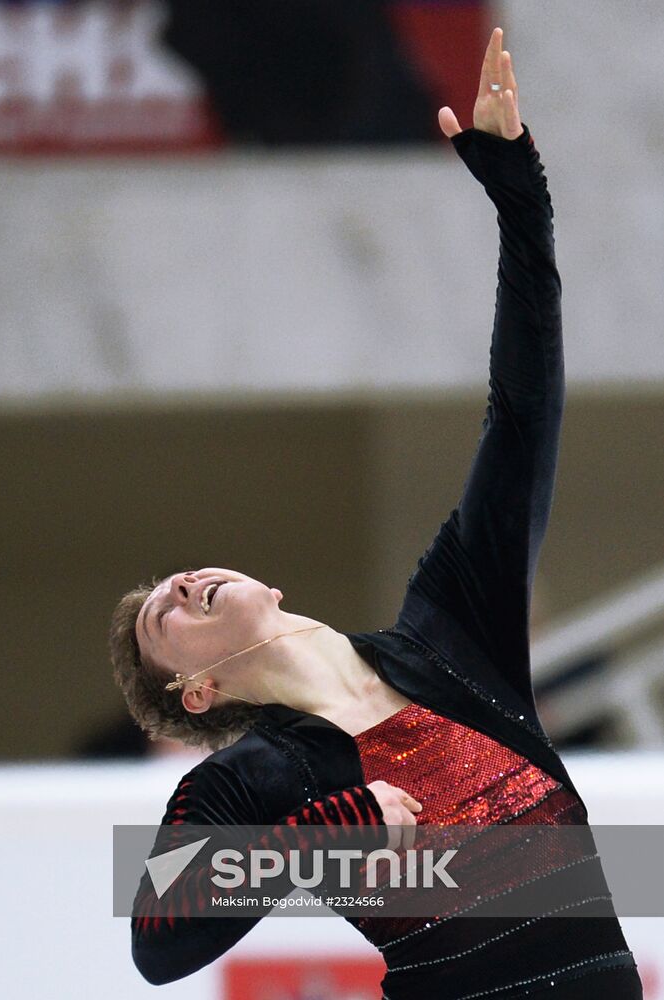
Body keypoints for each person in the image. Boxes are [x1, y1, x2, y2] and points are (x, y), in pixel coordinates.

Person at [110, 27, 643, 999]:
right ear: (195, 693)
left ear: (268, 586)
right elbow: (155, 935)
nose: (183, 583)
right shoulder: (256, 775)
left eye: (179, 577)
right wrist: (315, 841)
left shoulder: (452, 634)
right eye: (165, 616)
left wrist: (519, 203)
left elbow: (521, 417)